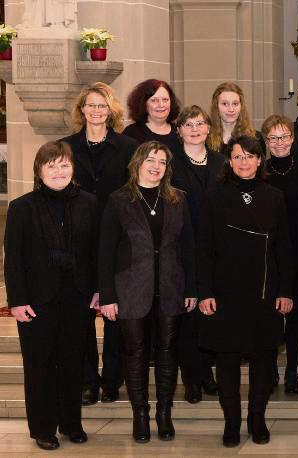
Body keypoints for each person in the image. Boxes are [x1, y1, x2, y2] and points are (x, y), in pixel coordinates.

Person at [197, 135, 294, 447]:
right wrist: (205, 291)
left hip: (264, 293)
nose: (243, 162)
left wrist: (285, 291)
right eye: (237, 156)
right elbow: (204, 248)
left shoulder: (275, 196)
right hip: (225, 293)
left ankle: (257, 419)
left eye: (250, 156)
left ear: (259, 160)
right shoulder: (214, 195)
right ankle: (231, 423)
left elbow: (283, 248)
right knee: (226, 364)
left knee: (264, 363)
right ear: (229, 160)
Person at [98, 141, 196, 443]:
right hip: (130, 288)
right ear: (138, 162)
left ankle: (164, 413)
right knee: (135, 352)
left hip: (171, 286)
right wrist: (107, 296)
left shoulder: (179, 198)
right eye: (151, 160)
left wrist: (192, 287)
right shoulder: (118, 200)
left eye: (162, 162)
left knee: (168, 353)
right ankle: (139, 415)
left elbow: (189, 248)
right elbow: (105, 251)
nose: (156, 166)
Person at [4, 142, 98, 450]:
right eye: (52, 165)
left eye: (64, 165)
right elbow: (13, 259)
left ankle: (71, 423)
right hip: (35, 300)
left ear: (73, 168)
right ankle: (43, 428)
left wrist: (99, 290)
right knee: (39, 364)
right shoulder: (21, 207)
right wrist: (16, 301)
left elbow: (97, 253)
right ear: (39, 170)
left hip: (78, 296)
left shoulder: (90, 203)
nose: (59, 171)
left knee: (73, 362)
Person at [59, 82, 138, 406]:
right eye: (90, 106)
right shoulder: (66, 146)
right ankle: (88, 380)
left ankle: (111, 380)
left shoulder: (128, 146)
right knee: (81, 314)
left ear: (111, 110)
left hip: (117, 238)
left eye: (101, 106)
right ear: (81, 111)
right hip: (78, 239)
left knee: (113, 311)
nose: (96, 111)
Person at [170, 105, 224, 404]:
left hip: (216, 250)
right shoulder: (171, 164)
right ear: (179, 131)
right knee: (189, 318)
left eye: (200, 123)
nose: (195, 129)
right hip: (181, 249)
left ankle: (208, 374)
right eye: (188, 124)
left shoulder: (221, 161)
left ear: (208, 128)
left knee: (210, 316)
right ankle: (191, 379)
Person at [261, 114, 298, 395]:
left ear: (292, 139)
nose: (279, 142)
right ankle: (269, 368)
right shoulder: (260, 172)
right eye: (273, 138)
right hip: (267, 254)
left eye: (284, 137)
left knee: (294, 315)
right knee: (269, 313)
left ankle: (292, 370)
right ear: (266, 142)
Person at [123, 79, 182, 149]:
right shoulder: (131, 134)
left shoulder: (180, 132)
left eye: (165, 100)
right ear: (143, 104)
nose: (161, 105)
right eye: (154, 100)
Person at [207, 82, 260, 153]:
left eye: (235, 104)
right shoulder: (206, 139)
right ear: (216, 107)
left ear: (241, 106)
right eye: (225, 104)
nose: (231, 109)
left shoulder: (255, 138)